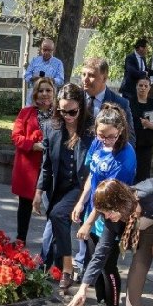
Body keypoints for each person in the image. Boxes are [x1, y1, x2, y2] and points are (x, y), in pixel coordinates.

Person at [70, 104, 137, 284]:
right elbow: (92, 174)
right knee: (94, 258)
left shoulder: (125, 156)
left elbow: (109, 197)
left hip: (111, 214)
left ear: (121, 130)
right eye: (101, 135)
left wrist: (89, 222)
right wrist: (81, 202)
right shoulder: (97, 143)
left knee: (107, 265)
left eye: (111, 136)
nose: (105, 140)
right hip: (93, 207)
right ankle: (101, 301)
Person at [35, 84, 93, 292]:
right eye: (62, 111)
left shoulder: (91, 129)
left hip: (81, 185)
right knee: (54, 223)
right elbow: (47, 163)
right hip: (57, 186)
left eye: (72, 111)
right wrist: (39, 191)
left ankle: (67, 268)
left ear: (81, 107)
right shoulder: (51, 127)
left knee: (59, 216)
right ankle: (49, 266)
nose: (67, 115)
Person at [65, 179, 140, 306]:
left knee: (110, 268)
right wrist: (83, 288)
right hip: (114, 232)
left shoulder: (145, 195)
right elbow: (100, 254)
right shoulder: (110, 219)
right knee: (99, 264)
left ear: (120, 202)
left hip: (151, 228)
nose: (106, 217)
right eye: (103, 213)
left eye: (108, 212)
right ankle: (102, 302)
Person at [12, 77, 56, 243]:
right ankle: (20, 238)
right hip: (29, 166)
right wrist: (33, 145)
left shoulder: (60, 113)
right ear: (35, 94)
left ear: (53, 93)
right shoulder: (26, 112)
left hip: (51, 166)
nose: (45, 94)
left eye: (48, 90)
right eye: (41, 90)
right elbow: (16, 137)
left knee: (51, 205)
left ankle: (50, 241)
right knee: (25, 203)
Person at [79, 58, 135, 145]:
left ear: (104, 78)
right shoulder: (75, 98)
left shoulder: (120, 104)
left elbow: (129, 138)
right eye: (83, 74)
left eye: (91, 75)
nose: (85, 80)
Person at [130, 76, 153, 181]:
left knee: (143, 173)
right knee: (130, 171)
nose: (143, 88)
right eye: (140, 85)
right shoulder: (129, 102)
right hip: (131, 143)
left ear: (149, 88)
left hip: (146, 144)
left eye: (145, 86)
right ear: (136, 87)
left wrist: (151, 125)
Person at [24, 38, 65, 104]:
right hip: (33, 97)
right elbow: (26, 76)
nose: (47, 52)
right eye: (45, 50)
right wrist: (33, 78)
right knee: (31, 113)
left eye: (49, 50)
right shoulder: (35, 60)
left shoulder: (58, 63)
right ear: (41, 49)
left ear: (53, 50)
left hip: (49, 98)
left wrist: (51, 80)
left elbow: (61, 80)